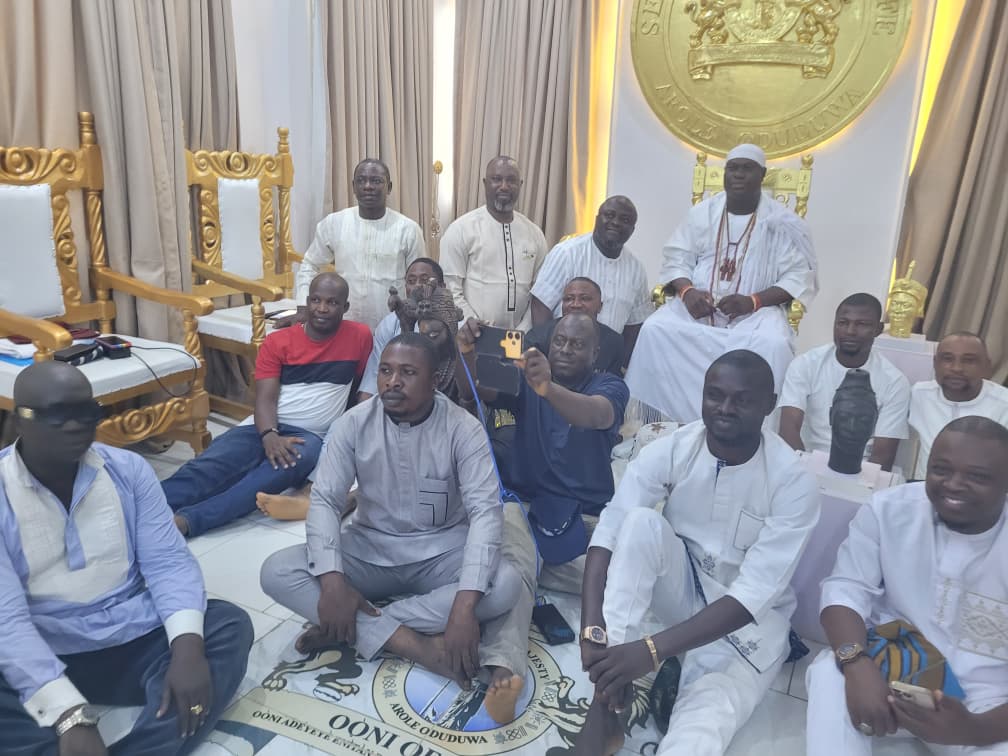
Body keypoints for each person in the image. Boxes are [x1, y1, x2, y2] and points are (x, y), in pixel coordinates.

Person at [0, 361, 253, 756]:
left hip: (132, 639)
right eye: (56, 415)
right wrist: (67, 713)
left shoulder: (127, 470)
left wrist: (187, 650)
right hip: (42, 646)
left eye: (86, 412)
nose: (75, 426)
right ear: (19, 421)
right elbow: (7, 621)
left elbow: (168, 563)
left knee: (225, 626)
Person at [574, 350, 819, 756]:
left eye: (742, 399)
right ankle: (604, 707)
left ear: (769, 404)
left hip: (745, 632)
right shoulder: (677, 447)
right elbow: (613, 526)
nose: (725, 408)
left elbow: (752, 596)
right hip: (683, 592)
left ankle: (633, 683)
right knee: (640, 523)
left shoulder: (792, 483)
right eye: (715, 395)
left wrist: (650, 651)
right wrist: (591, 629)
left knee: (697, 736)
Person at [260, 334, 522, 693]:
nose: (392, 382)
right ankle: (413, 645)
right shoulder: (353, 424)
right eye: (385, 371)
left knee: (506, 583)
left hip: (442, 552)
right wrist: (333, 582)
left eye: (408, 373)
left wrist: (464, 607)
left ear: (434, 381)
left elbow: (485, 514)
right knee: (277, 571)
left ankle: (352, 626)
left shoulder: (463, 429)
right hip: (369, 548)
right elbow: (326, 502)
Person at [455, 313, 629, 723]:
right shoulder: (525, 376)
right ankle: (505, 666)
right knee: (516, 556)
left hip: (585, 515)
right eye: (560, 341)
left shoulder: (610, 386)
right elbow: (475, 392)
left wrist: (547, 388)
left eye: (577, 344)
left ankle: (527, 569)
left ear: (595, 353)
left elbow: (594, 415)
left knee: (623, 577)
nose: (566, 350)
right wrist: (466, 353)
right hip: (525, 502)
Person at [805, 416, 1008, 755]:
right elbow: (845, 588)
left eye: (977, 476)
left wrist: (974, 728)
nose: (954, 484)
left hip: (987, 705)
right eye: (941, 469)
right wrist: (856, 663)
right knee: (830, 673)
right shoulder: (890, 509)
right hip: (896, 669)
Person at [163, 273, 371, 535]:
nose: (322, 308)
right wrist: (269, 435)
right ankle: (147, 504)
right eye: (316, 300)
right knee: (211, 465)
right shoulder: (278, 342)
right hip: (262, 426)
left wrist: (342, 439)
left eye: (332, 302)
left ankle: (188, 522)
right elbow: (265, 399)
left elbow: (359, 388)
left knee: (258, 482)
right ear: (307, 302)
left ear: (345, 307)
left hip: (309, 438)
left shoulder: (359, 337)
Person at [624, 143, 818, 423]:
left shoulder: (781, 222)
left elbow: (798, 277)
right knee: (655, 329)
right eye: (733, 168)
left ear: (762, 175)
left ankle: (753, 426)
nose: (738, 174)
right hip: (699, 309)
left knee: (774, 344)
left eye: (747, 168)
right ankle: (660, 423)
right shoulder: (702, 214)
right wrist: (688, 292)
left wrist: (753, 301)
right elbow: (677, 258)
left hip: (756, 314)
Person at [780, 293, 910, 471]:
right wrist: (804, 474)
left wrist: (856, 484)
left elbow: (883, 455)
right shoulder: (805, 365)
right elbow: (788, 430)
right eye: (843, 323)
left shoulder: (895, 382)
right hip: (808, 461)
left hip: (862, 470)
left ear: (878, 329)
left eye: (861, 324)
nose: (850, 331)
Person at [291, 158, 425, 329]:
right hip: (343, 325)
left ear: (389, 187)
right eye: (361, 181)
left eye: (376, 181)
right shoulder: (334, 223)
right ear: (354, 187)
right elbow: (310, 265)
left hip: (394, 326)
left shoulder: (408, 229)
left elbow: (420, 281)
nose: (368, 186)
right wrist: (304, 306)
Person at [530, 196, 651, 365]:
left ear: (632, 229)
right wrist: (546, 356)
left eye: (624, 220)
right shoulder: (567, 253)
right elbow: (540, 306)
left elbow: (634, 325)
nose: (616, 222)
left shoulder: (636, 269)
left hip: (607, 366)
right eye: (609, 215)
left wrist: (622, 365)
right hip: (562, 361)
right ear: (597, 219)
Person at [440, 156, 548, 330]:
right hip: (472, 334)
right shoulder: (460, 230)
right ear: (485, 183)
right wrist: (470, 323)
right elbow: (450, 288)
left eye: (511, 180)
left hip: (522, 336)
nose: (504, 186)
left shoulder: (534, 234)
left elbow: (540, 291)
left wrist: (525, 329)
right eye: (496, 179)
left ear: (520, 185)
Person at [908, 332, 1008, 480]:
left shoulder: (1004, 405)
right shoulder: (918, 394)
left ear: (987, 366)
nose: (956, 368)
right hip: (918, 486)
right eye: (947, 359)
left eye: (969, 360)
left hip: (980, 491)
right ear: (935, 363)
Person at [359, 257, 445, 400]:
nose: (417, 286)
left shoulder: (454, 324)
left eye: (425, 281)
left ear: (442, 287)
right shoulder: (390, 322)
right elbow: (371, 381)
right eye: (411, 281)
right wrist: (363, 411)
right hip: (393, 402)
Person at [526, 277, 627, 376]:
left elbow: (611, 382)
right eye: (569, 299)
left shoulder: (614, 342)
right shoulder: (538, 337)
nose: (576, 304)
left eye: (585, 299)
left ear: (600, 306)